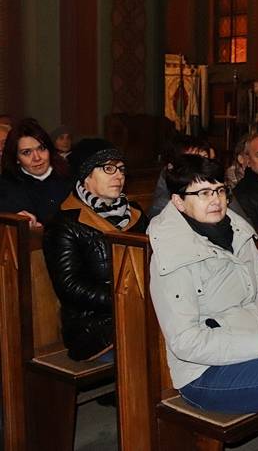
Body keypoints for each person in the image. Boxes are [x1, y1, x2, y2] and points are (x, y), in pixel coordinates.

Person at [148, 155, 258, 413]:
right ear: (178, 201)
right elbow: (186, 341)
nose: (216, 200)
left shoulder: (237, 233)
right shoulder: (172, 252)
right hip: (206, 372)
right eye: (203, 193)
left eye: (220, 190)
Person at [43, 139, 147, 361]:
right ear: (86, 175)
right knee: (151, 350)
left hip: (141, 312)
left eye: (121, 169)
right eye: (108, 168)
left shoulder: (136, 213)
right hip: (94, 328)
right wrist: (125, 299)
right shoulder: (64, 224)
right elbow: (70, 286)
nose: (118, 176)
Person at [0, 118, 72, 224]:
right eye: (27, 152)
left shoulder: (70, 177)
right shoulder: (7, 187)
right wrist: (14, 219)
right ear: (16, 158)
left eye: (41, 148)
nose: (37, 158)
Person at [148, 134, 212, 218]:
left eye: (205, 158)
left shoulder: (213, 183)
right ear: (171, 166)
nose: (202, 165)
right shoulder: (165, 209)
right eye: (193, 160)